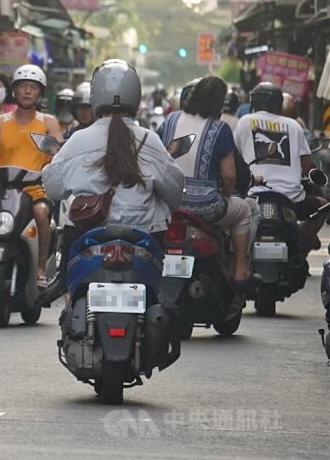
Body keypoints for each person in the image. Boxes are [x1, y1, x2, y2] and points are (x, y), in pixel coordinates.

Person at [41, 59, 185, 303]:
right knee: (163, 300)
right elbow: (174, 192)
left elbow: (53, 188)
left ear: (95, 96)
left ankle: (64, 289)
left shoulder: (79, 139)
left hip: (89, 235)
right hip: (144, 235)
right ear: (136, 96)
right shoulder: (149, 140)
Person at [158, 76, 259, 306]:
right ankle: (240, 271)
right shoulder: (219, 128)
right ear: (219, 104)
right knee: (245, 210)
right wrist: (226, 193)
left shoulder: (171, 120)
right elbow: (230, 175)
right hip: (204, 208)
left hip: (168, 204)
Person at [0, 64, 62, 288]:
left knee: (41, 212)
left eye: (33, 88)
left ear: (40, 93)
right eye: (22, 87)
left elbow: (60, 155)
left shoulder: (48, 122)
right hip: (4, 188)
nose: (27, 91)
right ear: (14, 91)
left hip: (36, 187)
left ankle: (40, 269)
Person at [235, 82, 329, 256]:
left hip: (254, 196)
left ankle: (239, 258)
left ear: (254, 101)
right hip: (291, 200)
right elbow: (309, 166)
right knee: (324, 206)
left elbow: (234, 158)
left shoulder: (244, 122)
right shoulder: (294, 126)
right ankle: (301, 245)